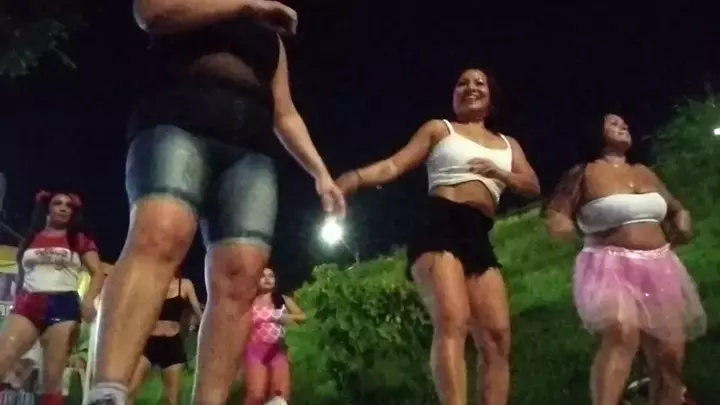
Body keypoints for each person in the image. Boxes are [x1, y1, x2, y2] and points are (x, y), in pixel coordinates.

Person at [86, 1, 346, 404]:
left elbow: (285, 112)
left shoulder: (267, 34)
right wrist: (244, 5)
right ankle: (107, 390)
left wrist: (320, 172)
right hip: (177, 119)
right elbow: (150, 13)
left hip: (250, 150)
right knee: (160, 236)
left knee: (242, 274)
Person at [334, 69, 540, 405]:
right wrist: (353, 179)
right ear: (453, 96)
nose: (470, 87)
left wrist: (500, 172)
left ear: (491, 97)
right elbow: (393, 165)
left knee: (497, 336)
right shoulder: (440, 129)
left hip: (478, 233)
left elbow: (531, 185)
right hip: (440, 224)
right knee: (453, 319)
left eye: (479, 83)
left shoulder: (507, 145)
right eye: (462, 83)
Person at [545, 113, 707, 405]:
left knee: (670, 350)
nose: (623, 127)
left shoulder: (643, 172)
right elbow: (557, 211)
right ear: (596, 131)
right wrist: (562, 226)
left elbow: (675, 207)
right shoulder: (584, 172)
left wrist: (683, 220)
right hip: (609, 263)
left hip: (659, 264)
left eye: (624, 124)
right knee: (622, 331)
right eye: (613, 123)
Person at [0, 191, 104, 405]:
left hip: (62, 307)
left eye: (69, 205)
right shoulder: (31, 238)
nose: (64, 208)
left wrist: (88, 300)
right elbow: (21, 275)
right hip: (27, 304)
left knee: (51, 378)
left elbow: (98, 272)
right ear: (47, 208)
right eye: (58, 203)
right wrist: (17, 298)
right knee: (2, 359)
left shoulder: (78, 239)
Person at [127, 272, 203, 405]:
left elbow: (197, 310)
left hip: (172, 344)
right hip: (150, 342)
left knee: (172, 399)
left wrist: (203, 327)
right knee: (131, 389)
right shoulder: (152, 284)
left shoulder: (185, 285)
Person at [242, 268, 305, 405]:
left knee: (279, 394)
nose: (267, 279)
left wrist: (285, 317)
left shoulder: (281, 299)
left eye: (271, 276)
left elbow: (302, 317)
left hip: (277, 350)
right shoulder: (248, 301)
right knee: (256, 393)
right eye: (263, 276)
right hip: (254, 350)